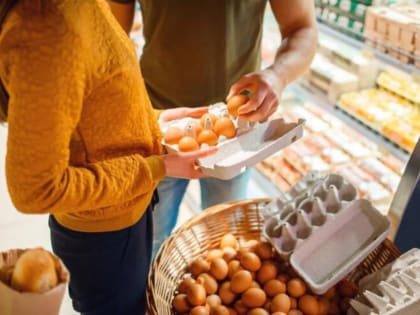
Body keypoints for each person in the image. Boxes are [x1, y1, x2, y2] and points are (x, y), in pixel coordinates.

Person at [0, 0, 215, 314]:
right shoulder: (45, 29)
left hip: (125, 214)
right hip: (103, 236)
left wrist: (152, 123)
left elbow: (93, 103)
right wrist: (158, 166)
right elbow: (35, 189)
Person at [108, 0, 318, 255]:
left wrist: (277, 75)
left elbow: (302, 26)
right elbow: (111, 35)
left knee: (222, 244)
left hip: (237, 131)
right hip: (158, 127)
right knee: (152, 240)